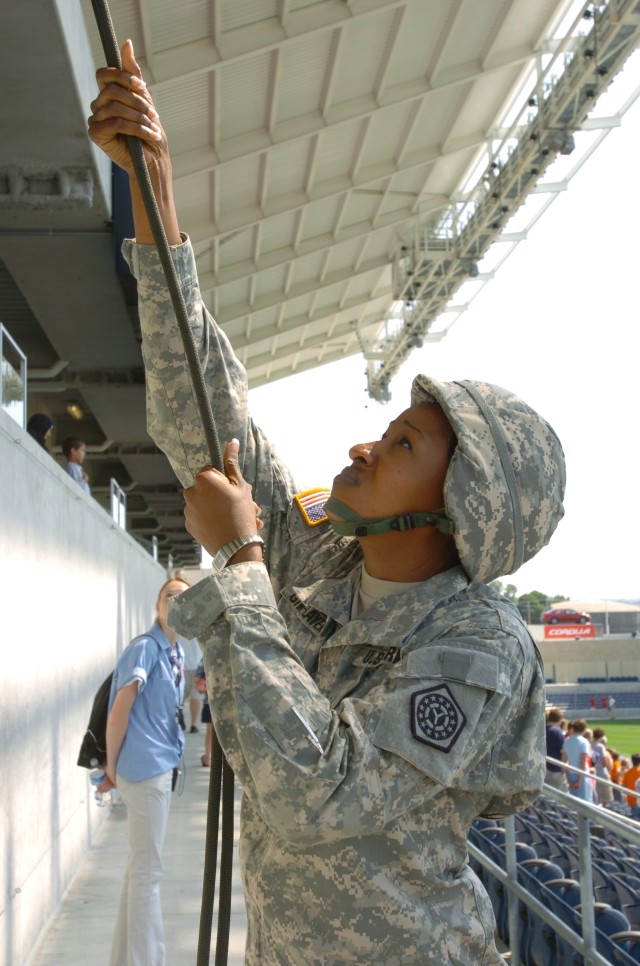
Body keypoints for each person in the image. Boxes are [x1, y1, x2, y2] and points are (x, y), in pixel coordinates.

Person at [88, 43, 566, 964]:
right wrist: (156, 206)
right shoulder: (330, 562)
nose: (363, 447)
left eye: (402, 447)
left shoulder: (479, 647)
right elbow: (209, 426)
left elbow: (321, 792)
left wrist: (241, 567)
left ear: (456, 508)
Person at [98, 575, 189, 966]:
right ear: (157, 606)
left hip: (158, 767)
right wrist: (111, 767)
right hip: (144, 771)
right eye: (169, 596)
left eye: (184, 598)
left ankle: (125, 959)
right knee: (148, 873)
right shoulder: (146, 648)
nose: (175, 602)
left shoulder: (176, 652)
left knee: (139, 870)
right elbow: (120, 710)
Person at [562, 719, 594, 802]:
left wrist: (568, 779)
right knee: (585, 803)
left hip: (571, 774)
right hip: (582, 777)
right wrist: (579, 781)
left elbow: (563, 762)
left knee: (574, 802)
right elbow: (582, 763)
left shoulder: (567, 741)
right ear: (584, 729)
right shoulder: (584, 742)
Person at [545, 707, 569, 791]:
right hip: (555, 769)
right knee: (563, 795)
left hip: (544, 767)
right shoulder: (556, 731)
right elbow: (563, 751)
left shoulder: (543, 730)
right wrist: (564, 768)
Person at [591, 727, 614, 805]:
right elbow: (604, 760)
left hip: (593, 773)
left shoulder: (590, 744)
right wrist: (609, 769)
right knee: (606, 798)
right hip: (602, 773)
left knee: (597, 796)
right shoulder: (600, 746)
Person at [622, 753, 640, 819]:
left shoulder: (627, 773)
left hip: (631, 800)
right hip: (638, 800)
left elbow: (624, 786)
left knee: (635, 819)